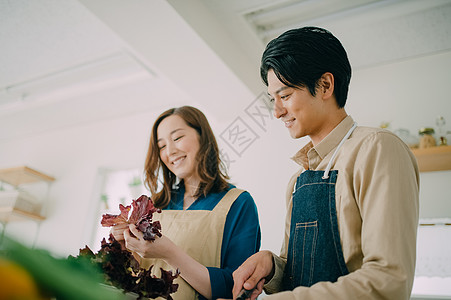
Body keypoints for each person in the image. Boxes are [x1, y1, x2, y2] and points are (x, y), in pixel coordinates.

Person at [230, 26, 419, 299]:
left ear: (326, 85)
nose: (277, 111)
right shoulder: (298, 180)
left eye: (284, 96)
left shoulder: (377, 149)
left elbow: (389, 280)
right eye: (273, 99)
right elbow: (300, 272)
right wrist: (273, 266)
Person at [111, 106, 261, 300]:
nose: (170, 151)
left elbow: (236, 289)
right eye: (162, 146)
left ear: (202, 137)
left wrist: (170, 254)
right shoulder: (154, 204)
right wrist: (124, 249)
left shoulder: (238, 203)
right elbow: (135, 279)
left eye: (177, 138)